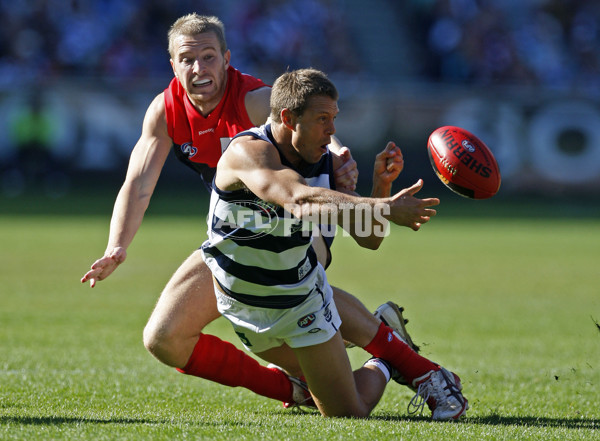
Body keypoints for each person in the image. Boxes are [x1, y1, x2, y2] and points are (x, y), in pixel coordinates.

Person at [80, 13, 463, 418]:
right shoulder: (166, 111)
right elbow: (137, 185)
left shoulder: (254, 101)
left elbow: (304, 120)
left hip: (297, 214)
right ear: (172, 65)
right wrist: (116, 246)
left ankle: (401, 360)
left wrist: (337, 156)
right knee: (164, 338)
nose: (199, 69)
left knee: (295, 273)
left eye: (208, 57)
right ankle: (295, 385)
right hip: (237, 231)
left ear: (226, 59)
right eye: (187, 60)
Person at [201, 68, 469, 418]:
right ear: (287, 118)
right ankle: (388, 345)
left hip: (299, 304)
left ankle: (386, 360)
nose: (332, 131)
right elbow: (297, 198)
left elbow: (369, 238)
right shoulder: (248, 152)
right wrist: (385, 207)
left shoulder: (326, 163)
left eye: (334, 119)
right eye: (322, 119)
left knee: (348, 414)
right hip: (240, 305)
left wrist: (380, 188)